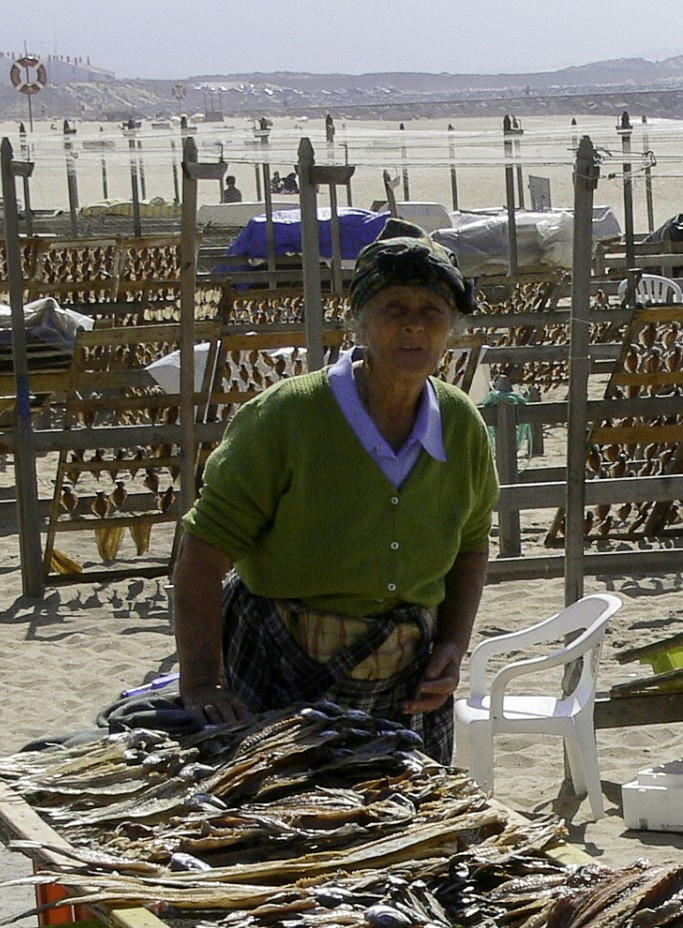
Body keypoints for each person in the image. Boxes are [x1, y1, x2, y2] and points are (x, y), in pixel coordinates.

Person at [172, 237, 495, 760]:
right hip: (279, 661)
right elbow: (201, 556)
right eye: (394, 308)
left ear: (451, 330)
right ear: (360, 322)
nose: (414, 325)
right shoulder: (287, 417)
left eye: (432, 312)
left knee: (404, 826)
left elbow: (472, 546)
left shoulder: (462, 426)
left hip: (406, 676)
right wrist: (203, 684)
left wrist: (452, 645)